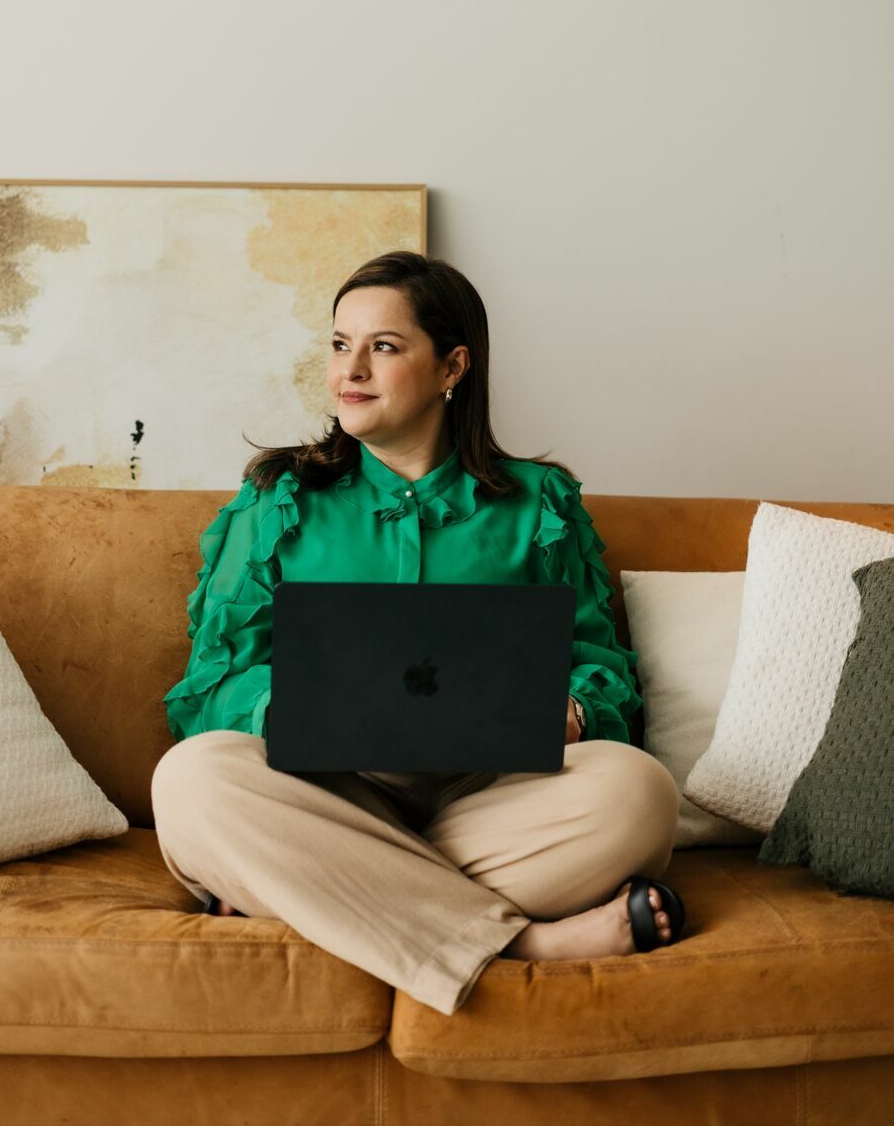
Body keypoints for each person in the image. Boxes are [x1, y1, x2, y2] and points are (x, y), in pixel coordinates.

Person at [151, 250, 683, 1017]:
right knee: (192, 780)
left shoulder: (541, 504)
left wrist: (570, 710)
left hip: (492, 798)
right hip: (321, 793)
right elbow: (209, 685)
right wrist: (301, 707)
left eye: (384, 346)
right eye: (340, 344)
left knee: (639, 794)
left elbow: (605, 674)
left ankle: (308, 894)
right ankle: (522, 944)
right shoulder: (279, 500)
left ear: (452, 367)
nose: (350, 370)